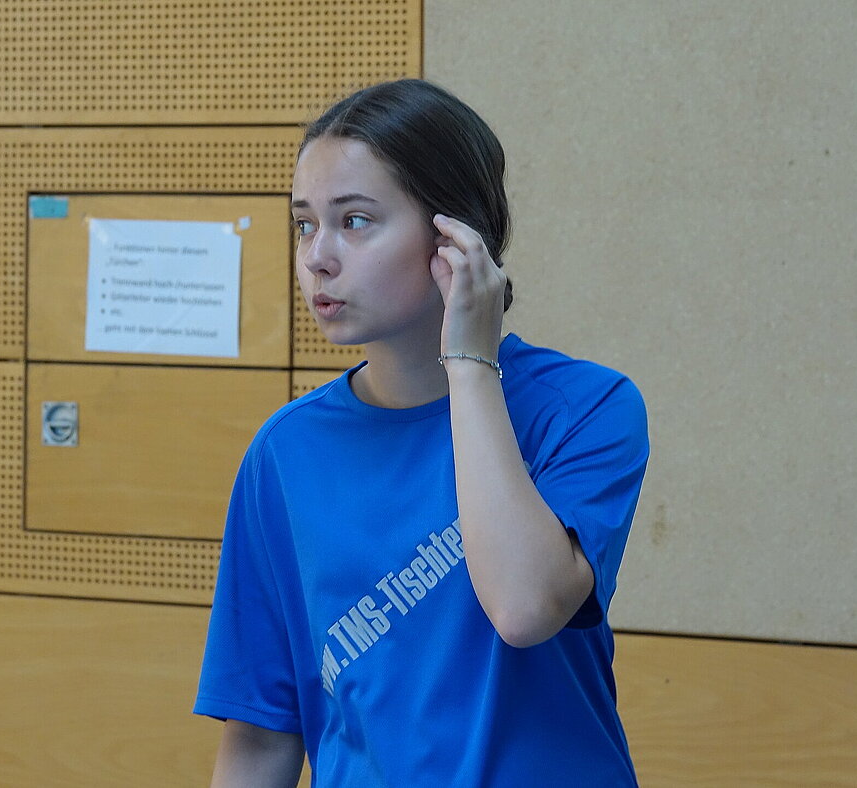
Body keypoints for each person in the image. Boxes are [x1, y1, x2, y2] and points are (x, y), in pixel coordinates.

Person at [194, 78, 649, 787]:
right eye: (305, 224)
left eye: (355, 221)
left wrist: (469, 363)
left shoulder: (585, 408)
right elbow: (258, 736)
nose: (317, 257)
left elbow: (525, 606)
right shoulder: (284, 453)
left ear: (454, 236)